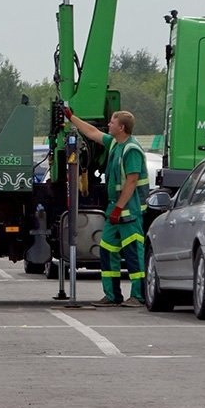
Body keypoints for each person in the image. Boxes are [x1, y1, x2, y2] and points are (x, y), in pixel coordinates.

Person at [64, 105, 150, 308]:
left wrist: (119, 208)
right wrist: (71, 117)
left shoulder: (131, 150)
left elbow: (131, 182)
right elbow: (92, 133)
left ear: (121, 127)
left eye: (112, 121)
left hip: (129, 212)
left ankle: (138, 296)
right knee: (107, 250)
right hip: (116, 209)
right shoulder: (115, 144)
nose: (108, 124)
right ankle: (112, 295)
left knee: (133, 253)